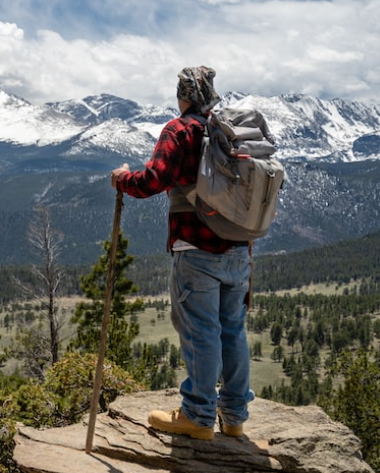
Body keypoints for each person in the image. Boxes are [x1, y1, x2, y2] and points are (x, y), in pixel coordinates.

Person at [110, 66, 254, 440]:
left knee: (201, 331)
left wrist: (122, 180)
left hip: (196, 250)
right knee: (233, 331)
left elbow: (153, 180)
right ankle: (234, 418)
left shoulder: (180, 130)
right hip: (239, 250)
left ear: (182, 96)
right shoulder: (231, 132)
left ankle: (198, 416)